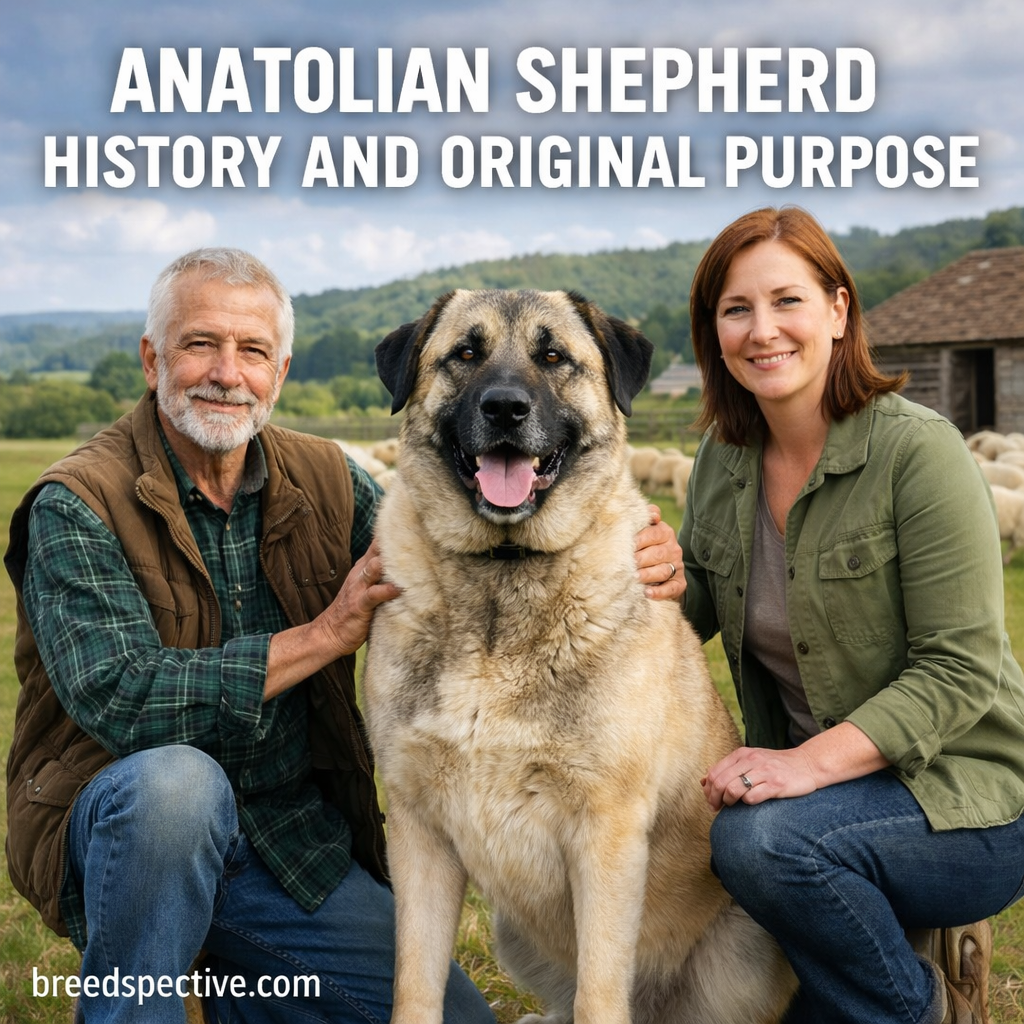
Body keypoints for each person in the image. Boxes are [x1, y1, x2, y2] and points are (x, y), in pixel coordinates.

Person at [4, 247, 682, 1024]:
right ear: (153, 357)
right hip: (131, 843)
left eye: (253, 351)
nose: (228, 372)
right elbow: (123, 697)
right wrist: (325, 636)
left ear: (280, 370)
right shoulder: (75, 502)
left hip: (290, 848)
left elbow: (433, 541)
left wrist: (640, 549)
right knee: (175, 789)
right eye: (200, 344)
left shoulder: (329, 479)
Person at [680, 206, 1024, 1024]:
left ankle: (919, 1008)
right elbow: (696, 599)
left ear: (838, 311)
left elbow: (960, 667)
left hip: (962, 802)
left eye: (787, 300)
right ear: (714, 332)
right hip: (825, 807)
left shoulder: (919, 453)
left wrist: (804, 767)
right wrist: (649, 576)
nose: (763, 330)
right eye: (736, 309)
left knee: (755, 843)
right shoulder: (723, 458)